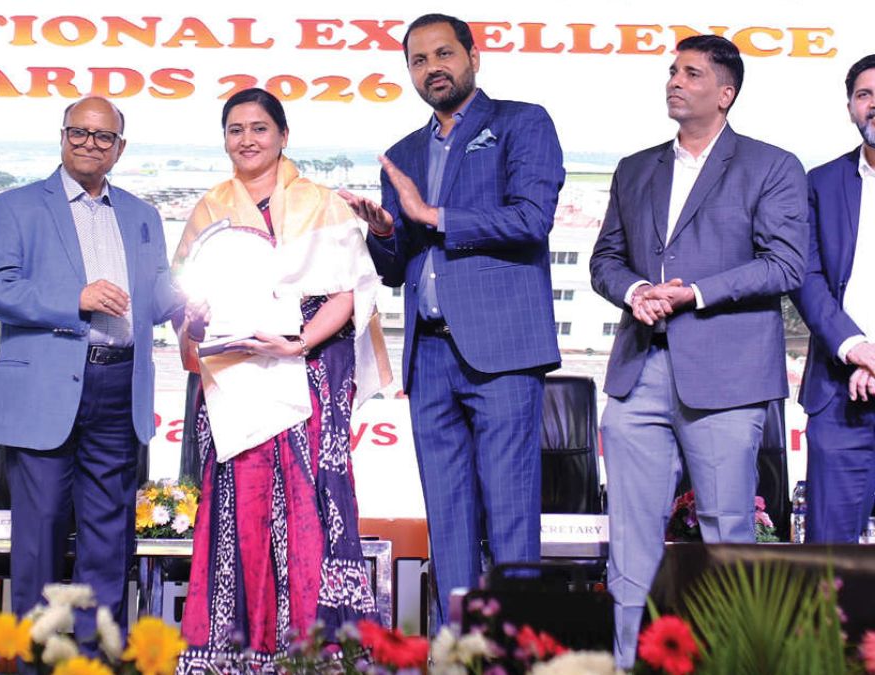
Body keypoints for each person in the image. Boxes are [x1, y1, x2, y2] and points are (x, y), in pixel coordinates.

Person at [589, 35, 807, 668]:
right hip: (638, 374)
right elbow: (605, 259)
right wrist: (635, 292)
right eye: (672, 71)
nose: (674, 82)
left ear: (725, 93)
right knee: (629, 545)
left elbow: (785, 264)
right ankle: (626, 665)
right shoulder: (635, 168)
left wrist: (695, 293)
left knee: (726, 538)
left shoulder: (771, 166)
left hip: (727, 377)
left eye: (691, 73)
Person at [340, 12, 564, 626]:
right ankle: (456, 650)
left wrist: (432, 215)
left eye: (444, 54)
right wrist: (383, 232)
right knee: (448, 519)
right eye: (418, 60)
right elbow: (394, 270)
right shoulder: (404, 153)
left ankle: (513, 652)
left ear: (473, 56)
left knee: (512, 518)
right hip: (430, 357)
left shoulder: (522, 122)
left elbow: (531, 219)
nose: (432, 68)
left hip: (503, 352)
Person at [174, 88, 388, 671]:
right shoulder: (209, 210)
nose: (247, 139)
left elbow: (349, 291)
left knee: (311, 507)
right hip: (235, 379)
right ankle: (236, 653)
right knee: (238, 508)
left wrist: (299, 342)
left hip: (310, 372)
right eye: (235, 129)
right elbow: (187, 313)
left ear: (283, 136)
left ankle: (317, 653)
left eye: (259, 128)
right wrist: (195, 316)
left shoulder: (323, 203)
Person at [0, 97, 183, 640]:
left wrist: (194, 303)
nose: (90, 144)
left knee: (109, 538)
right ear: (63, 135)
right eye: (79, 132)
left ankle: (96, 656)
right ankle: (36, 657)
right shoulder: (15, 206)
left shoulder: (142, 215)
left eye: (103, 136)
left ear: (120, 147)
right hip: (45, 392)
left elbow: (157, 294)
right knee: (40, 534)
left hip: (120, 384)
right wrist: (76, 298)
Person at [791, 54, 875, 543]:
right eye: (865, 95)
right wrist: (856, 348)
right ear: (850, 108)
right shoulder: (821, 183)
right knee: (829, 565)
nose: (874, 105)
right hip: (840, 396)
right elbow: (806, 276)